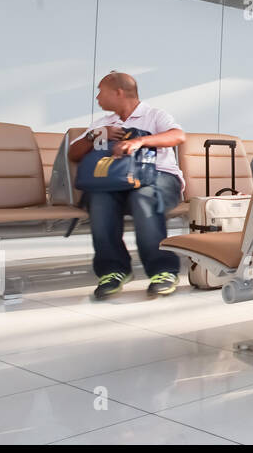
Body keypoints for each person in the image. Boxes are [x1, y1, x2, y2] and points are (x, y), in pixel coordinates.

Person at [68, 72, 186, 299]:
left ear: (118, 92)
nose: (97, 98)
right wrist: (96, 135)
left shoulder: (154, 115)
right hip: (114, 182)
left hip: (159, 177)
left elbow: (178, 136)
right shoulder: (103, 123)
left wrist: (139, 141)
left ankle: (163, 271)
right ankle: (113, 270)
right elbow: (73, 153)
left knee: (143, 196)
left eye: (100, 91)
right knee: (99, 199)